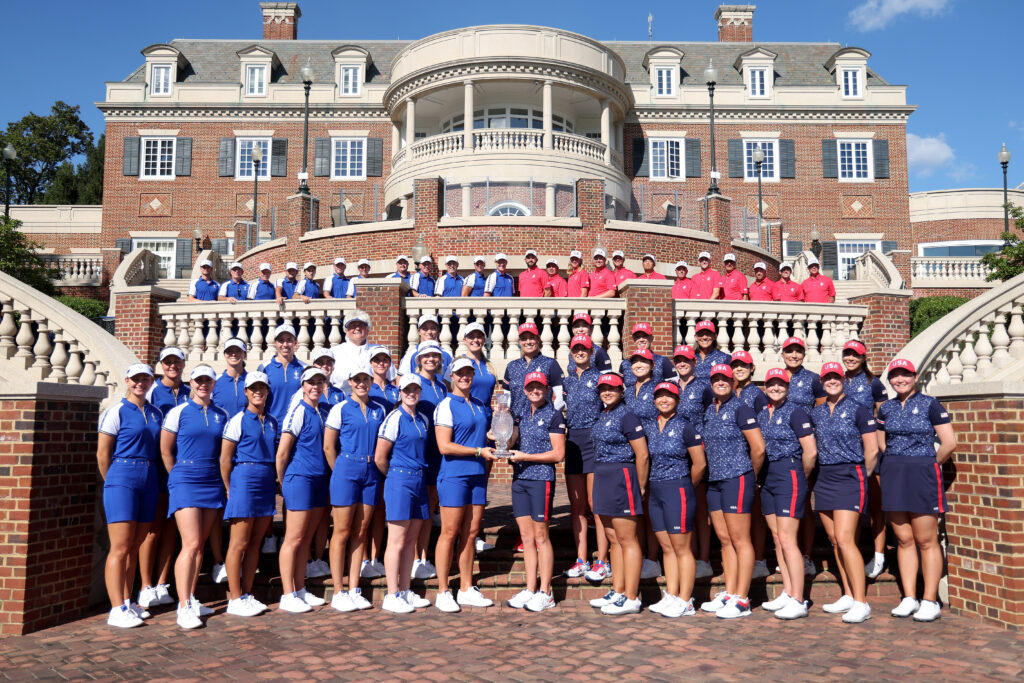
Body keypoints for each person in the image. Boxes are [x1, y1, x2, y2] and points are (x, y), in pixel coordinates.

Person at [877, 358, 957, 623]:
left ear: (915, 377)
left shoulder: (930, 404)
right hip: (894, 474)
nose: (900, 380)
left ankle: (930, 599)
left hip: (922, 473)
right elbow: (882, 443)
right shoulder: (885, 408)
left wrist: (929, 463)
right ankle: (909, 597)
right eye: (896, 376)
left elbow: (949, 442)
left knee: (926, 540)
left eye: (906, 375)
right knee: (903, 539)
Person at [160, 365, 229, 629]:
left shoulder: (221, 414)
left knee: (199, 544)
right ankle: (183, 604)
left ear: (213, 384)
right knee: (189, 544)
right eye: (199, 381)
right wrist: (177, 476)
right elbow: (166, 451)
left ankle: (191, 596)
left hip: (211, 480)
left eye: (208, 381)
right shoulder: (178, 413)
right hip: (186, 479)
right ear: (191, 383)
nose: (203, 385)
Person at [811, 361, 879, 623]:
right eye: (827, 378)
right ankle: (849, 594)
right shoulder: (816, 413)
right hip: (825, 475)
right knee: (834, 539)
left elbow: (872, 450)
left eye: (836, 377)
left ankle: (862, 602)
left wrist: (862, 474)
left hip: (851, 474)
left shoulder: (859, 409)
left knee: (845, 537)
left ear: (843, 380)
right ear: (822, 382)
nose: (831, 381)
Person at [98, 363, 163, 628]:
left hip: (148, 477)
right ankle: (116, 608)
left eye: (145, 379)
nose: (140, 383)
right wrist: (113, 481)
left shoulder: (155, 412)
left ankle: (127, 599)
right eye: (136, 379)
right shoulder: (117, 411)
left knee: (135, 545)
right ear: (127, 380)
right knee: (120, 546)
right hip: (122, 476)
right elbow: (103, 454)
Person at [698, 364, 765, 619]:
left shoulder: (741, 408)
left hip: (737, 478)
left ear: (733, 382)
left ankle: (742, 598)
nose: (721, 382)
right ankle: (730, 590)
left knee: (740, 539)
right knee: (725, 540)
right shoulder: (710, 410)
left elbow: (758, 448)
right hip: (715, 480)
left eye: (725, 379)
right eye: (716, 379)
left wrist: (750, 476)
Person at [432, 358, 495, 612]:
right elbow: (444, 446)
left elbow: (486, 435)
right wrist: (479, 450)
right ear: (452, 376)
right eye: (460, 373)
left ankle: (467, 588)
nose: (465, 377)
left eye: (468, 373)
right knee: (449, 532)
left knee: (471, 533)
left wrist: (497, 436)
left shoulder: (480, 405)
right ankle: (443, 590)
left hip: (477, 476)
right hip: (454, 476)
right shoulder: (446, 405)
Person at [324, 363, 388, 612]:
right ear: (349, 381)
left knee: (361, 530)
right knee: (342, 530)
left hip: (371, 472)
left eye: (365, 379)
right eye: (356, 379)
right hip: (346, 470)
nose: (361, 383)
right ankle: (339, 590)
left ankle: (354, 587)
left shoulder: (379, 409)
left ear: (371, 381)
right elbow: (329, 447)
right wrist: (339, 470)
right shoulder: (340, 408)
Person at [756, 368, 817, 620]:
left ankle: (799, 599)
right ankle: (788, 590)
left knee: (788, 539)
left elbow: (810, 452)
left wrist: (798, 476)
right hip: (768, 476)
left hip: (789, 472)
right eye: (771, 384)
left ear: (788, 386)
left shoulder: (796, 411)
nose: (775, 388)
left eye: (780, 384)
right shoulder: (763, 413)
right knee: (777, 537)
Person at [587, 373, 650, 615]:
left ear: (621, 391)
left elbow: (642, 454)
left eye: (612, 388)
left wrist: (640, 486)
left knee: (627, 539)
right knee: (613, 539)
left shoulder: (627, 415)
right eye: (603, 388)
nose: (607, 392)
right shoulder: (604, 414)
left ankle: (632, 597)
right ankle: (619, 589)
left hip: (622, 476)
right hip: (603, 475)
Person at [645, 382, 706, 618]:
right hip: (656, 489)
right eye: (660, 396)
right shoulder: (650, 426)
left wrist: (686, 486)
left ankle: (685, 599)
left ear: (677, 400)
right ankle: (671, 594)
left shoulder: (686, 427)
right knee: (667, 547)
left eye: (669, 396)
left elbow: (699, 463)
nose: (664, 400)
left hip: (678, 488)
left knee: (682, 548)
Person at [506, 371, 565, 612]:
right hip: (519, 479)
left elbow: (558, 454)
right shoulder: (520, 414)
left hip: (541, 480)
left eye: (539, 386)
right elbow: (511, 442)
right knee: (527, 538)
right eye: (531, 387)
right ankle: (530, 588)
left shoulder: (553, 414)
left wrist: (525, 457)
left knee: (541, 537)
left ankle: (546, 591)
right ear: (525, 389)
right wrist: (500, 434)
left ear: (547, 388)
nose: (534, 390)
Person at [219, 371, 277, 618]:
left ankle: (246, 593)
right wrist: (230, 488)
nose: (258, 392)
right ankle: (234, 597)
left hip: (266, 481)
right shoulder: (238, 420)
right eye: (253, 388)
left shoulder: (273, 421)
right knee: (239, 543)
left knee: (256, 542)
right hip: (244, 479)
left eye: (262, 388)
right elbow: (224, 458)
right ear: (246, 392)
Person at [374, 375, 433, 613]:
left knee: (411, 540)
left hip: (419, 479)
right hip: (400, 479)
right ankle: (392, 594)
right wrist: (396, 478)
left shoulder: (422, 419)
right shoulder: (394, 417)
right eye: (407, 389)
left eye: (415, 389)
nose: (411, 393)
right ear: (400, 391)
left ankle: (406, 590)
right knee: (396, 541)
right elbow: (380, 457)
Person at [137, 346, 190, 611]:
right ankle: (146, 586)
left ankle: (161, 582)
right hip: (158, 470)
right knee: (153, 528)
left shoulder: (192, 393)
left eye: (177, 362)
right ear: (161, 365)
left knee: (172, 528)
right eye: (168, 362)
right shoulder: (153, 393)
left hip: (185, 471)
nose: (173, 366)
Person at [275, 367, 331, 614]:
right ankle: (287, 593)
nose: (315, 386)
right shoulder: (298, 411)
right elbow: (283, 453)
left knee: (305, 539)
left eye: (320, 382)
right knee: (294, 538)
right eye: (311, 382)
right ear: (303, 385)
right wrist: (283, 482)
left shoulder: (324, 411)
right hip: (300, 479)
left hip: (319, 480)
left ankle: (299, 589)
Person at [562, 335, 609, 582]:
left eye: (584, 349)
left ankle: (602, 560)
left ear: (592, 352)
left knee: (596, 504)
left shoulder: (600, 378)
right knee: (577, 505)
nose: (580, 352)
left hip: (594, 439)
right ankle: (582, 559)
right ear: (571, 353)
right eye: (576, 349)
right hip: (573, 442)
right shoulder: (567, 381)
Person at [841, 339, 889, 580]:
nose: (850, 358)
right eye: (847, 354)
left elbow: (884, 415)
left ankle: (879, 554)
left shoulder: (873, 383)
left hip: (869, 450)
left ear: (863, 358)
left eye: (855, 355)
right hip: (846, 451)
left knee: (876, 504)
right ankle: (855, 552)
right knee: (852, 506)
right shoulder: (837, 380)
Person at [780, 335, 826, 574]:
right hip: (779, 447)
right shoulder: (775, 377)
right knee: (783, 505)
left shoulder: (813, 379)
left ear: (804, 354)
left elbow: (820, 410)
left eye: (798, 351)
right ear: (783, 354)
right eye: (789, 351)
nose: (794, 355)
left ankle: (806, 555)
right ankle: (788, 553)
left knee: (803, 503)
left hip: (803, 446)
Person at [672, 344, 714, 579]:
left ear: (694, 362)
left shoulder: (704, 387)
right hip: (676, 451)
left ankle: (704, 559)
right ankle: (689, 554)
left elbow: (710, 417)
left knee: (700, 509)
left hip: (697, 450)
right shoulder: (671, 386)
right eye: (678, 360)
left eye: (686, 359)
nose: (682, 363)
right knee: (684, 508)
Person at [623, 348, 664, 581]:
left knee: (649, 507)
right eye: (635, 361)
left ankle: (652, 558)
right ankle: (638, 555)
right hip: (629, 454)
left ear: (652, 364)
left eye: (644, 361)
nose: (639, 364)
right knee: (635, 508)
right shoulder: (627, 391)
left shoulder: (658, 388)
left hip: (652, 452)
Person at [730, 349, 770, 579]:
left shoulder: (757, 395)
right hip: (736, 458)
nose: (739, 369)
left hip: (752, 458)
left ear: (752, 368)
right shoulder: (733, 392)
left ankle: (759, 559)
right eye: (735, 365)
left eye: (743, 365)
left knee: (755, 512)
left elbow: (761, 429)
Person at [410, 342, 448, 580]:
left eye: (435, 355)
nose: (431, 359)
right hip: (419, 452)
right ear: (419, 359)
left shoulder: (443, 386)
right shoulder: (413, 383)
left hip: (439, 453)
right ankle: (414, 559)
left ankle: (424, 557)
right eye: (427, 356)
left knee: (429, 509)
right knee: (417, 510)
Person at [502, 322, 564, 421]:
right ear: (519, 341)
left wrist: (549, 417)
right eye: (524, 338)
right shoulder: (512, 366)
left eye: (532, 337)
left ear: (538, 339)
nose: (528, 342)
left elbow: (561, 397)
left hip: (541, 425)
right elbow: (506, 398)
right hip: (516, 424)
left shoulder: (550, 364)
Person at [259, 324, 306, 428]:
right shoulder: (264, 368)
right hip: (271, 427)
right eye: (281, 340)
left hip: (297, 428)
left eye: (289, 340)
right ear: (275, 343)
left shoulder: (304, 368)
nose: (285, 344)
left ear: (295, 342)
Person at [398, 314, 454, 379]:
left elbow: (452, 381)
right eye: (425, 328)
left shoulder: (448, 355)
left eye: (433, 328)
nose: (429, 332)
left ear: (438, 331)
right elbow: (400, 380)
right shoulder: (410, 355)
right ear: (419, 331)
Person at [460, 323, 497, 414]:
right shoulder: (458, 363)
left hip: (487, 417)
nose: (475, 340)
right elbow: (450, 391)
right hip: (467, 416)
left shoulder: (489, 365)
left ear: (484, 340)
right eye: (471, 337)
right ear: (465, 340)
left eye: (479, 336)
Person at [212, 338, 250, 418]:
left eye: (238, 351)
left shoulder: (252, 381)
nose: (233, 354)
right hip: (221, 430)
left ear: (245, 354)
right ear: (225, 354)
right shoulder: (214, 382)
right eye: (230, 351)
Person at [693, 321, 730, 385]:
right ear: (696, 337)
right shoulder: (690, 358)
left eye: (708, 334)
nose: (704, 337)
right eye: (701, 334)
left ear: (715, 336)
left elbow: (733, 383)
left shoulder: (725, 358)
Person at [368, 345, 401, 411]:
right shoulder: (367, 389)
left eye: (385, 360)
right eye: (377, 360)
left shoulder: (396, 390)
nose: (381, 363)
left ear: (389, 363)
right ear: (371, 363)